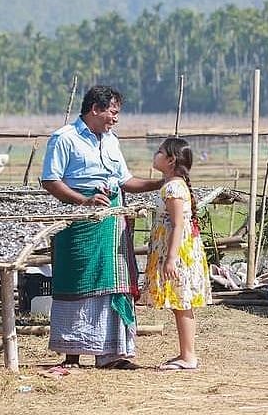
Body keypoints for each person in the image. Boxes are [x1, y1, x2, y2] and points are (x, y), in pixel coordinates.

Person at [41, 85, 162, 370]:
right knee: (77, 281)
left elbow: (125, 180)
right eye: (112, 112)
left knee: (112, 284)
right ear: (95, 108)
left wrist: (160, 182)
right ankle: (72, 353)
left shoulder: (111, 140)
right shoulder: (64, 138)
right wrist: (84, 201)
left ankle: (113, 353)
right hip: (78, 224)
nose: (115, 118)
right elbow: (51, 180)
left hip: (111, 223)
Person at [141, 136, 211, 370]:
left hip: (178, 251)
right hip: (181, 248)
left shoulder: (172, 188)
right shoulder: (174, 185)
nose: (155, 154)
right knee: (181, 303)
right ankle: (186, 353)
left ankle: (188, 356)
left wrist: (170, 258)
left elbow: (177, 224)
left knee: (182, 302)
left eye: (159, 152)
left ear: (170, 160)